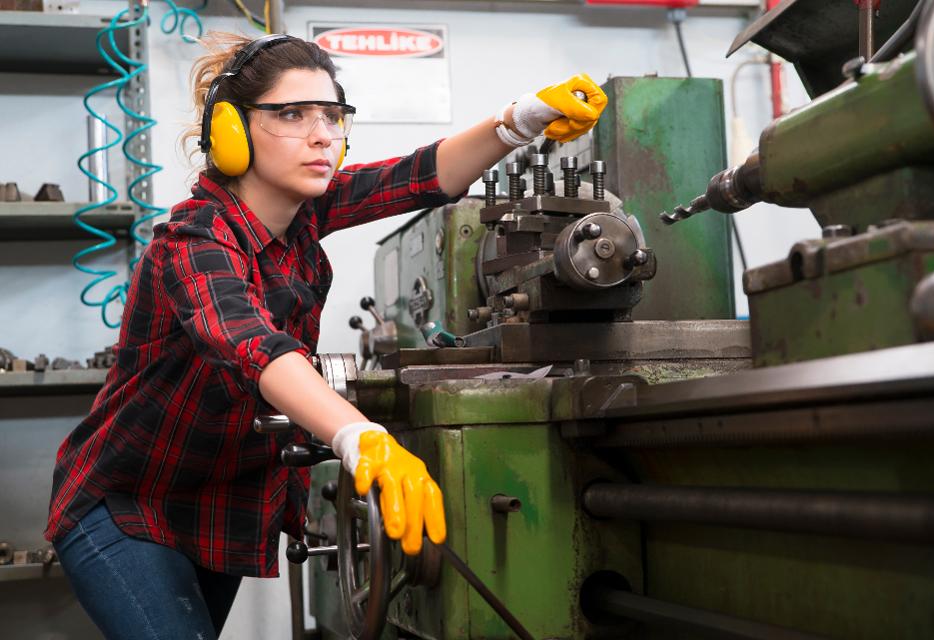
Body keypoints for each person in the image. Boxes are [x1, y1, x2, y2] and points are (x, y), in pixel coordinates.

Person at [44, 32, 607, 639]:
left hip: (215, 507)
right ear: (230, 132)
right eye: (291, 114)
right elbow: (251, 343)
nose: (321, 134)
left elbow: (417, 175)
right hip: (125, 504)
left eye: (332, 115)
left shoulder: (304, 213)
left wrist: (520, 119)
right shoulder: (194, 241)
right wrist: (359, 436)